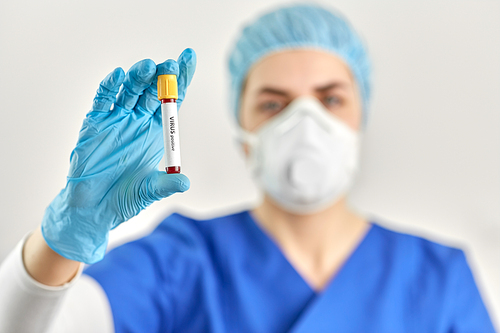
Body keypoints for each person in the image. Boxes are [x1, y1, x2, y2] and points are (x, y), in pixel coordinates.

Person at [0, 4, 496, 333]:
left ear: (359, 115)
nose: (307, 124)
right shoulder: (181, 264)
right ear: (243, 137)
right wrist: (61, 240)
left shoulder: (438, 278)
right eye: (274, 105)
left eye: (330, 99)